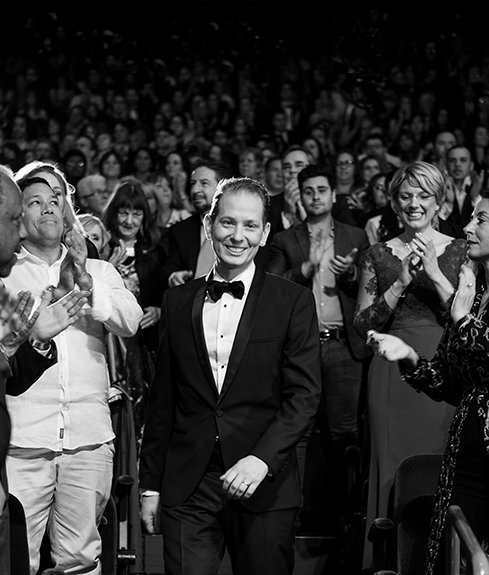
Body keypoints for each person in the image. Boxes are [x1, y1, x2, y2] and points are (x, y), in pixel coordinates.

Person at [139, 176, 321, 575]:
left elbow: (304, 397)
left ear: (265, 233)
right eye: (228, 222)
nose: (238, 236)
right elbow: (163, 400)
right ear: (209, 225)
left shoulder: (293, 301)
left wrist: (262, 460)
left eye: (250, 225)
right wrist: (150, 484)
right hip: (189, 484)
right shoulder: (177, 300)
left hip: (265, 483)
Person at [3, 175, 142, 575]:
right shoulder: (6, 275)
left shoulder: (98, 269)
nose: (48, 206)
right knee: (17, 557)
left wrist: (85, 280)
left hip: (88, 439)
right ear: (18, 216)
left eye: (55, 198)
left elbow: (130, 321)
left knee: (80, 559)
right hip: (23, 441)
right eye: (35, 201)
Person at [365, 193, 489, 574]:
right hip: (465, 457)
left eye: (481, 220)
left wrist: (461, 318)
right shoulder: (474, 295)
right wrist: (408, 356)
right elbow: (447, 382)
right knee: (450, 558)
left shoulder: (464, 305)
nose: (467, 227)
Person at [353, 160, 467, 571]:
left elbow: (467, 318)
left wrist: (434, 273)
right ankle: (388, 562)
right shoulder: (377, 254)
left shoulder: (462, 250)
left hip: (445, 372)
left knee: (441, 466)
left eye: (423, 195)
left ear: (439, 202)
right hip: (391, 376)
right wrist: (400, 282)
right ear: (394, 203)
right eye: (405, 196)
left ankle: (441, 560)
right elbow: (362, 325)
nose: (414, 203)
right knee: (392, 469)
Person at [267, 163, 371, 526]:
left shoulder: (356, 236)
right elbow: (272, 287)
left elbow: (370, 289)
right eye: (308, 191)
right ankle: (292, 517)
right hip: (301, 347)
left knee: (346, 434)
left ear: (333, 194)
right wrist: (305, 269)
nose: (315, 197)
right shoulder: (285, 239)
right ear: (300, 194)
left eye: (321, 190)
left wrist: (352, 274)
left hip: (343, 347)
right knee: (298, 432)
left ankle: (348, 519)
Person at [102, 178, 167, 445]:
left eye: (136, 214)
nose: (129, 221)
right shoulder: (101, 247)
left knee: (145, 408)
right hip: (109, 344)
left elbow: (167, 292)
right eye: (123, 212)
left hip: (144, 344)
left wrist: (160, 311)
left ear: (145, 217)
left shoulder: (156, 250)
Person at [160, 158, 234, 288]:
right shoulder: (179, 231)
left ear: (224, 188)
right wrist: (173, 276)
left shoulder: (241, 227)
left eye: (204, 183)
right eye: (193, 184)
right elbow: (169, 267)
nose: (195, 190)